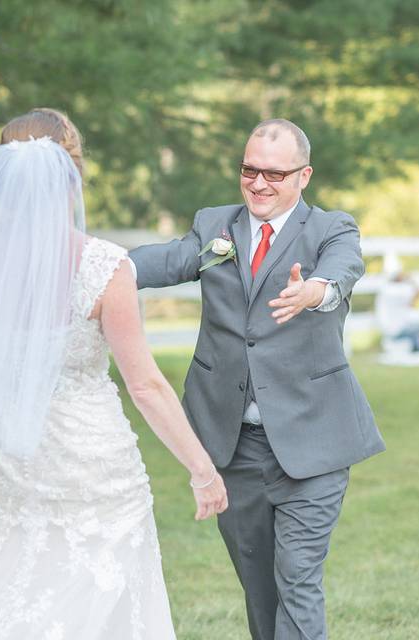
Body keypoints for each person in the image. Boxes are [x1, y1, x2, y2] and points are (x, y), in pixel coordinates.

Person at [0, 108, 227, 639]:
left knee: (2, 580)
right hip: (89, 458)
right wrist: (202, 469)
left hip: (4, 451)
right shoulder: (105, 266)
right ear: (74, 177)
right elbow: (145, 385)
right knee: (94, 588)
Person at [130, 119, 385, 640]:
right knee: (258, 585)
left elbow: (342, 269)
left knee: (298, 580)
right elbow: (163, 261)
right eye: (250, 170)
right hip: (232, 444)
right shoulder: (214, 226)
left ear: (303, 175)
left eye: (274, 172)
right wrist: (89, 264)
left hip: (314, 440)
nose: (259, 183)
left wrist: (313, 291)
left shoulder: (331, 228)